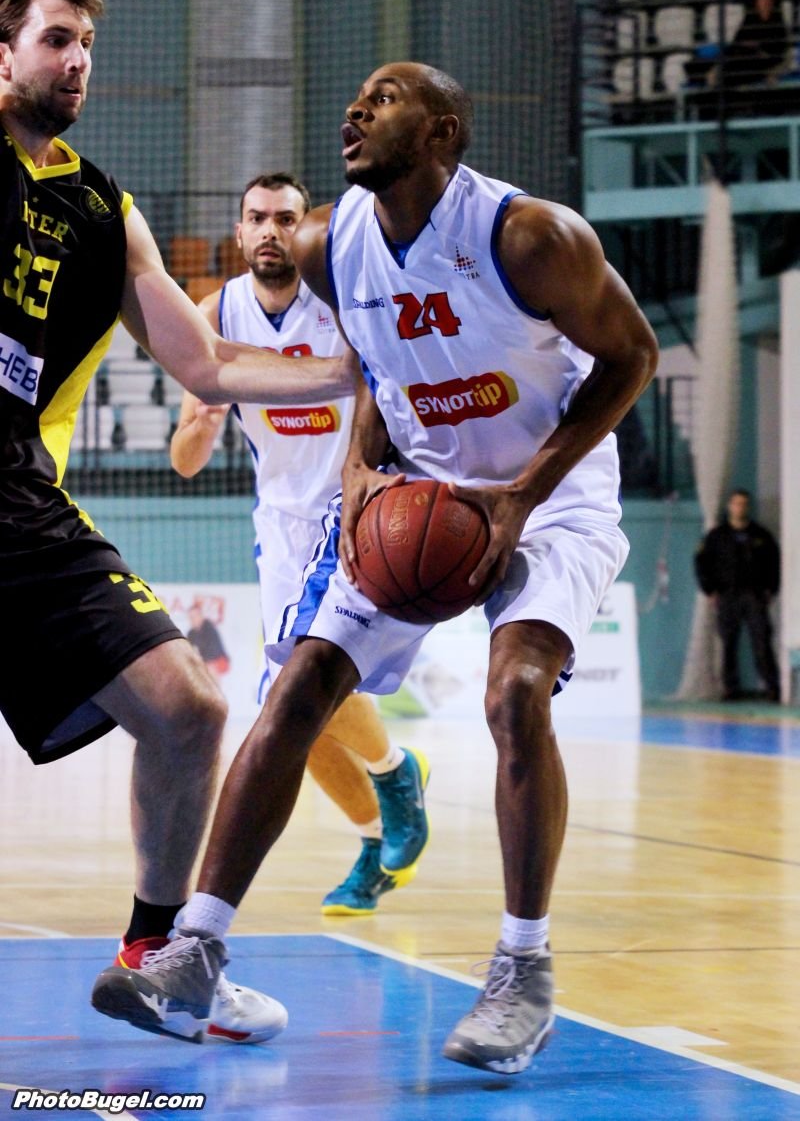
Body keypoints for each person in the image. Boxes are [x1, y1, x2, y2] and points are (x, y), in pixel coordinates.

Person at [92, 61, 659, 1074]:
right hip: (418, 490)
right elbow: (371, 361)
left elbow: (633, 358)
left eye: (386, 97)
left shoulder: (529, 237)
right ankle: (195, 948)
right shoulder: (328, 245)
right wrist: (360, 467)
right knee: (297, 685)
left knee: (514, 692)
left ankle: (522, 968)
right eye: (355, 96)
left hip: (549, 492)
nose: (356, 108)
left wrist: (521, 498)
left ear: (442, 133)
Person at [0, 0, 356, 1044]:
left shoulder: (105, 209)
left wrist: (362, 369)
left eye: (86, 44)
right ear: (2, 53)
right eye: (55, 38)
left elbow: (206, 363)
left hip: (15, 500)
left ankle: (156, 960)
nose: (77, 60)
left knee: (187, 708)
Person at [169, 171, 430, 915]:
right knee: (299, 724)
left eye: (285, 218)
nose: (270, 231)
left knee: (291, 690)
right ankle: (378, 834)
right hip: (278, 525)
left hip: (353, 507)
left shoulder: (341, 297)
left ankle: (393, 771)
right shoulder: (215, 313)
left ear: (305, 228)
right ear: (239, 230)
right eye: (257, 218)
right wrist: (201, 424)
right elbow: (184, 461)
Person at [694, 489, 780, 702]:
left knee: (761, 640)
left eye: (743, 504)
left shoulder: (760, 535)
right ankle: (730, 688)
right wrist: (709, 589)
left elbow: (774, 563)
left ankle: (771, 686)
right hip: (727, 595)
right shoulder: (717, 536)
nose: (739, 508)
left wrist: (771, 589)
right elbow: (702, 563)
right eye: (736, 503)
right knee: (728, 643)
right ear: (730, 506)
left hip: (754, 595)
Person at [715, 0, 791, 90]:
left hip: (764, 61)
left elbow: (778, 50)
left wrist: (759, 47)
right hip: (744, 58)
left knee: (740, 69)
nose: (765, 2)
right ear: (757, 1)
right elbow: (737, 42)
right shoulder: (749, 19)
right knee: (729, 65)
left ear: (774, 3)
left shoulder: (778, 23)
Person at [185, 603, 230, 680]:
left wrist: (200, 661)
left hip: (220, 661)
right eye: (191, 617)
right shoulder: (191, 633)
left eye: (195, 616)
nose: (193, 619)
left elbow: (213, 652)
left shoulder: (209, 628)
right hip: (203, 663)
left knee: (209, 667)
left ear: (201, 616)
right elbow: (188, 651)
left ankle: (213, 686)